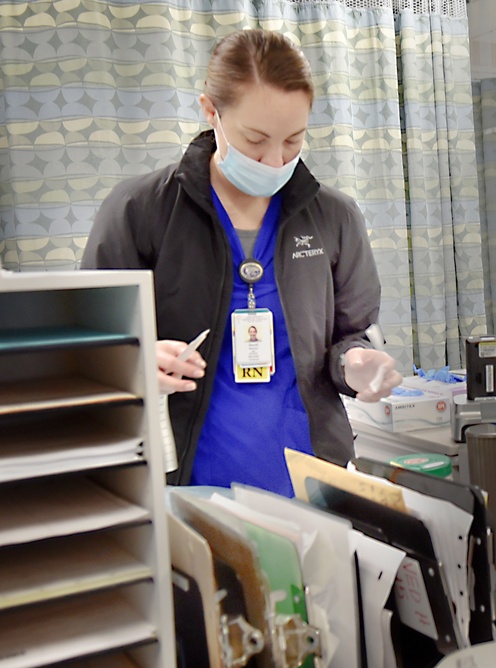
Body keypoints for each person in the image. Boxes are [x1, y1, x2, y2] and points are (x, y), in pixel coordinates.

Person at [82, 29, 401, 496]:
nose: (274, 162)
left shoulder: (334, 216)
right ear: (211, 111)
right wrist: (134, 364)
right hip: (186, 483)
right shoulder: (141, 209)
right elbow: (90, 346)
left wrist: (356, 363)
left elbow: (350, 335)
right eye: (256, 140)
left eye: (293, 141)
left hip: (312, 479)